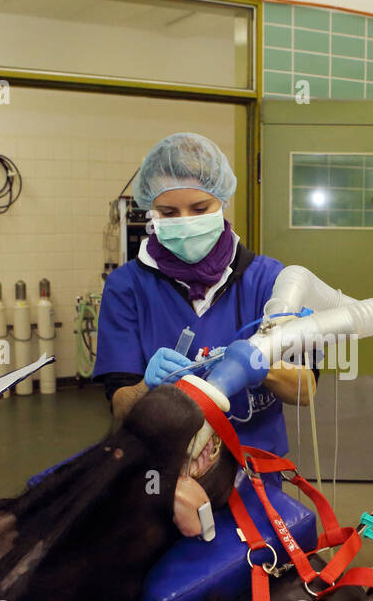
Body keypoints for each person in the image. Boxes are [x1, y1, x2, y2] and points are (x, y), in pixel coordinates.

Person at [94, 132, 315, 467]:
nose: (185, 223)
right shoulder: (127, 286)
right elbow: (121, 408)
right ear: (151, 212)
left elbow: (306, 390)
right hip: (161, 470)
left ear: (222, 201)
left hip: (252, 465)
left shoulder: (270, 280)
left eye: (200, 208)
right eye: (168, 212)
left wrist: (259, 366)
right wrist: (145, 387)